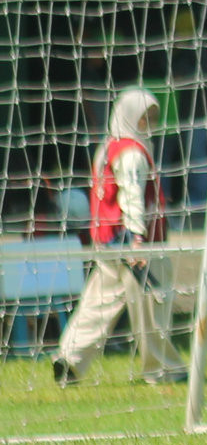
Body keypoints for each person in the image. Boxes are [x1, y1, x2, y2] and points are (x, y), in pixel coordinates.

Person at [53, 89, 187, 386]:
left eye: (152, 116)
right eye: (143, 117)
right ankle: (163, 369)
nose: (149, 122)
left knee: (99, 302)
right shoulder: (132, 154)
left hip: (108, 241)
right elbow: (132, 196)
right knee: (152, 304)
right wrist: (138, 238)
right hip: (134, 243)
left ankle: (70, 358)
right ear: (127, 116)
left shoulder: (108, 147)